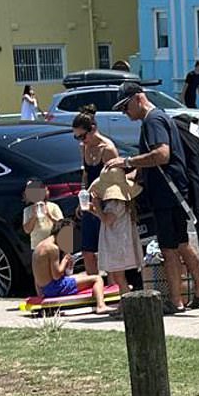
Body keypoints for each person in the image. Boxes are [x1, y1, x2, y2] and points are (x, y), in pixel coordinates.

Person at [104, 82, 199, 314]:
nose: (125, 113)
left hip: (167, 195)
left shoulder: (153, 120)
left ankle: (175, 301)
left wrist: (128, 162)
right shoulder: (160, 118)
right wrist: (134, 174)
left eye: (126, 107)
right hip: (174, 193)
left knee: (168, 248)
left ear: (138, 98)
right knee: (182, 243)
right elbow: (157, 160)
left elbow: (162, 155)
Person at [72, 105, 119, 275]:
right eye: (77, 137)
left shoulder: (107, 149)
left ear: (93, 129)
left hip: (106, 201)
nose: (81, 140)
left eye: (83, 136)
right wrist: (82, 197)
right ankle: (94, 283)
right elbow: (85, 174)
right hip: (90, 202)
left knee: (108, 249)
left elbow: (116, 180)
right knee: (87, 250)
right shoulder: (84, 147)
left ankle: (114, 286)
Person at [32, 218, 110, 313]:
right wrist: (65, 261)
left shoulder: (39, 246)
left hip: (44, 289)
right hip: (54, 288)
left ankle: (95, 302)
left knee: (83, 276)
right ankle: (100, 305)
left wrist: (40, 294)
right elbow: (56, 276)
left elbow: (37, 275)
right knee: (97, 278)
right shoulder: (53, 248)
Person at [88, 168, 143, 297]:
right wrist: (94, 210)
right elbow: (107, 217)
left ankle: (126, 303)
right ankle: (123, 303)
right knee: (119, 277)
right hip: (120, 241)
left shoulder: (115, 203)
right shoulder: (121, 202)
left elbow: (107, 220)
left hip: (117, 243)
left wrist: (97, 207)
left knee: (119, 277)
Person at [22, 178, 64, 250]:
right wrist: (34, 216)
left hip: (53, 245)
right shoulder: (27, 210)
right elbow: (27, 230)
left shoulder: (53, 206)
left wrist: (49, 216)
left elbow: (62, 225)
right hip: (37, 247)